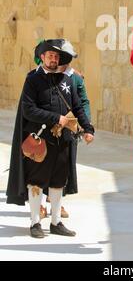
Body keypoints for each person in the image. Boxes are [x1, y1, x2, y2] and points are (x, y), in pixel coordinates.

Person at [6, 39, 94, 238]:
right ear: (43, 57)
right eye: (50, 55)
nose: (54, 59)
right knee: (36, 182)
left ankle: (56, 222)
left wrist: (88, 128)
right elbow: (28, 110)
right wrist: (57, 118)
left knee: (57, 182)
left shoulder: (68, 80)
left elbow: (78, 107)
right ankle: (35, 223)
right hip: (40, 141)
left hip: (63, 140)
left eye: (57, 56)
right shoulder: (33, 79)